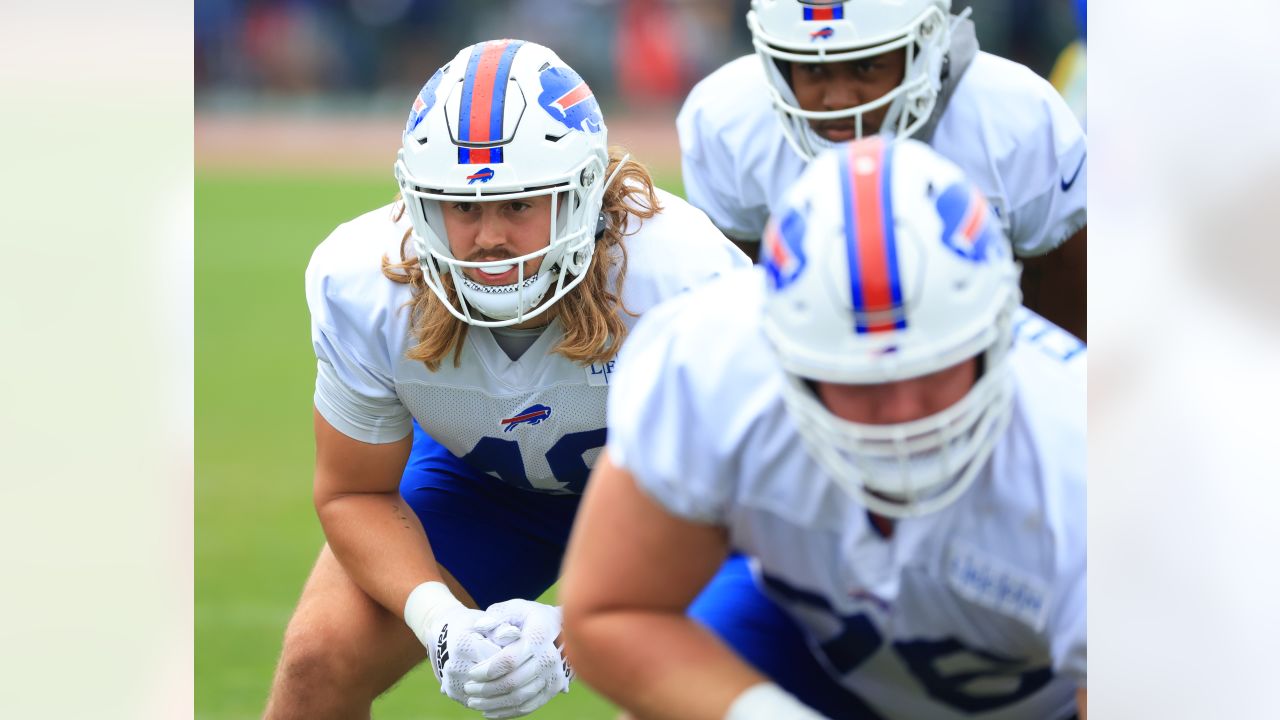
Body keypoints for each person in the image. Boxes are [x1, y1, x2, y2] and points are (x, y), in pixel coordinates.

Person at [262, 39, 749, 720]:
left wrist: (578, 632)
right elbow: (353, 492)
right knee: (320, 658)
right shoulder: (362, 283)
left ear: (585, 195)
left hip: (671, 504)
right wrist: (439, 624)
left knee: (686, 690)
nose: (489, 236)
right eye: (462, 207)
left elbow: (749, 506)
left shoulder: (683, 277)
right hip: (483, 491)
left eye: (519, 205)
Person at [560, 137, 1086, 719]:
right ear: (784, 352)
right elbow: (615, 614)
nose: (904, 416)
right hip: (808, 645)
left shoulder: (1093, 461)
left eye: (935, 368)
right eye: (862, 381)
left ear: (997, 333)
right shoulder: (709, 364)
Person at [678, 0, 1087, 340]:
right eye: (813, 68)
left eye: (866, 66)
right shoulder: (728, 123)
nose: (839, 100)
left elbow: (1066, 331)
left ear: (926, 48)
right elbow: (742, 316)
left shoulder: (1018, 120)